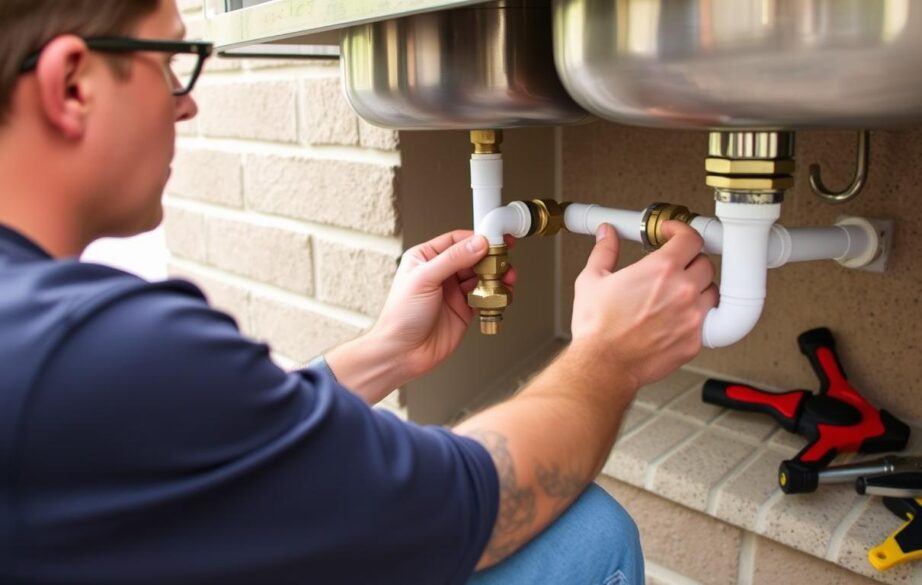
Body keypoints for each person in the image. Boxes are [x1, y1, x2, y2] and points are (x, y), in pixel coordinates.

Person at [0, 1, 718, 583]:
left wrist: (385, 352)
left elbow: (213, 453)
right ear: (73, 84)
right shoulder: (94, 345)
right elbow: (469, 506)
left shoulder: (40, 333)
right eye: (169, 65)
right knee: (588, 534)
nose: (184, 107)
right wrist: (611, 354)